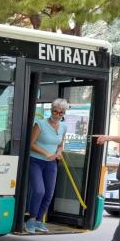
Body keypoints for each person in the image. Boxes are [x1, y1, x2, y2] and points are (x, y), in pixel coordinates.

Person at [26, 99, 69, 233]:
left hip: (51, 163)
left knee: (49, 193)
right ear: (51, 110)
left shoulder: (63, 126)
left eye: (61, 112)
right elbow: (31, 144)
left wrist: (59, 152)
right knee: (39, 191)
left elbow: (60, 144)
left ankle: (39, 220)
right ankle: (31, 220)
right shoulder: (40, 124)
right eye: (55, 111)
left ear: (64, 113)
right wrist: (46, 153)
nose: (57, 115)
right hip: (36, 161)